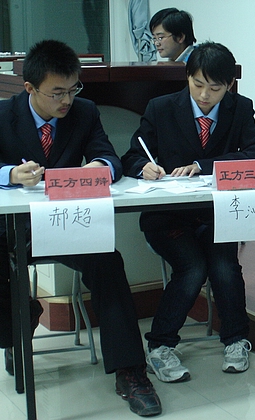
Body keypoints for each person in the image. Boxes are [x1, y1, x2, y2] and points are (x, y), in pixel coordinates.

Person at [0, 40, 161, 417]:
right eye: (57, 92)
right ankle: (17, 328)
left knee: (108, 263)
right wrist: (10, 174)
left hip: (64, 225)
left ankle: (130, 372)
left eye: (73, 89)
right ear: (30, 88)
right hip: (12, 228)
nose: (67, 100)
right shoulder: (3, 115)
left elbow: (110, 158)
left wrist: (99, 166)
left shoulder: (84, 111)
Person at [121, 41, 255, 383]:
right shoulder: (161, 108)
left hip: (217, 214)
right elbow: (132, 156)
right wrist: (143, 167)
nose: (204, 95)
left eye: (214, 88)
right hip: (168, 216)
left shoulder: (240, 108)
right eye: (197, 84)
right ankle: (160, 346)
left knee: (224, 267)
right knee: (193, 267)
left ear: (229, 85)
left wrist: (203, 165)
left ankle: (236, 340)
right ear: (187, 76)